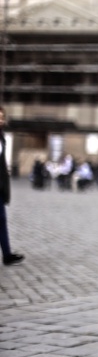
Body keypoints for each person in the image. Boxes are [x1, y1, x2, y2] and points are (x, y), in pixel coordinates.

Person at [0, 106, 24, 266]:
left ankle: (7, 254)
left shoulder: (2, 138)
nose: (1, 120)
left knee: (1, 220)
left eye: (2, 117)